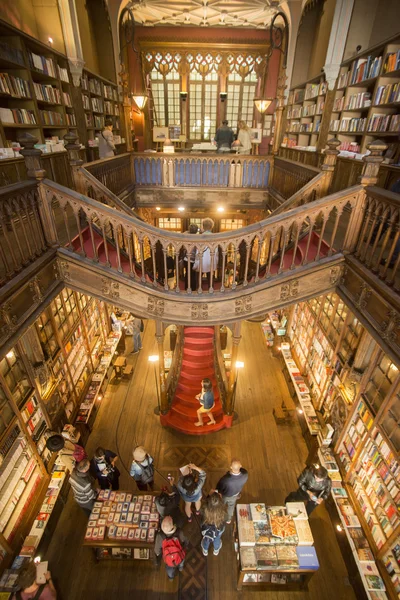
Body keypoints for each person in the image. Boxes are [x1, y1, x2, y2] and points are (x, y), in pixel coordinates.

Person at [154, 516, 188, 580]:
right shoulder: (179, 532)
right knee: (181, 560)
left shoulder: (160, 536)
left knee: (169, 569)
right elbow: (185, 541)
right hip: (179, 555)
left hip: (169, 560)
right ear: (172, 526)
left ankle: (171, 577)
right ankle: (180, 568)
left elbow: (157, 551)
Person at [215, 459, 248, 524]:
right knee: (231, 507)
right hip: (235, 495)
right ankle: (228, 519)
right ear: (241, 466)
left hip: (225, 496)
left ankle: (218, 516)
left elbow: (219, 487)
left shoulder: (225, 479)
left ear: (231, 467)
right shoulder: (245, 475)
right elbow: (242, 470)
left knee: (221, 506)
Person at [193, 218, 218, 289]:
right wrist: (215, 263)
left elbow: (197, 252)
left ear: (203, 226)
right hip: (210, 260)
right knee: (210, 278)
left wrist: (196, 262)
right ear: (211, 227)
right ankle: (211, 291)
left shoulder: (199, 237)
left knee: (198, 279)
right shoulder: (215, 237)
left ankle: (198, 291)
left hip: (201, 260)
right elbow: (216, 252)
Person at [183, 223, 199, 290]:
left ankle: (187, 288)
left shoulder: (186, 236)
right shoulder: (198, 238)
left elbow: (184, 233)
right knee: (193, 275)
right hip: (194, 259)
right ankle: (193, 288)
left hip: (186, 259)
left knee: (187, 274)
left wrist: (188, 231)